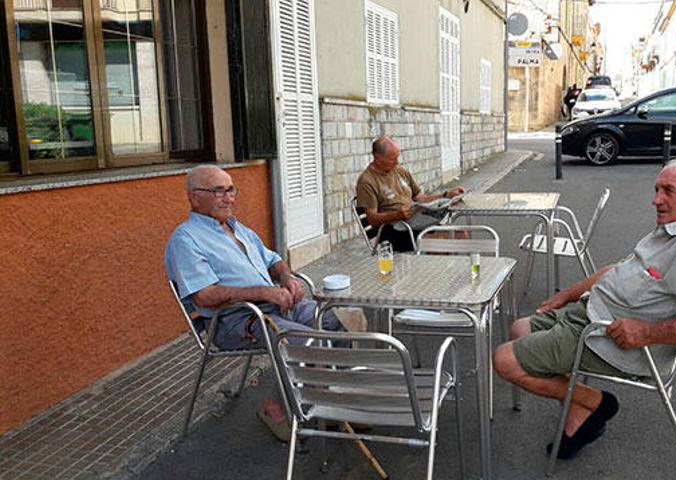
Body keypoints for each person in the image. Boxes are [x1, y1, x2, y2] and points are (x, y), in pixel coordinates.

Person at [493, 156, 676, 460]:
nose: (656, 200)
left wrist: (646, 332)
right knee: (519, 328)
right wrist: (567, 295)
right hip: (590, 314)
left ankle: (596, 402)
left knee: (504, 360)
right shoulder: (673, 227)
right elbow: (619, 268)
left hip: (607, 337)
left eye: (667, 191)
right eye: (656, 189)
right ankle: (578, 413)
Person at [165, 165, 344, 441]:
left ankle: (334, 400)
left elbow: (273, 259)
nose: (229, 198)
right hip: (234, 320)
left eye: (231, 189)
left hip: (274, 306)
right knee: (304, 341)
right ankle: (282, 408)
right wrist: (263, 292)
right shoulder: (185, 239)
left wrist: (286, 278)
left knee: (339, 319)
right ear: (194, 197)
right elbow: (205, 296)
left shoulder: (238, 228)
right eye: (218, 191)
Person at [356, 136, 465, 251]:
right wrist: (396, 215)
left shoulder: (400, 171)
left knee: (460, 234)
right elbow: (372, 220)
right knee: (440, 240)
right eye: (392, 159)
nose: (397, 162)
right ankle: (435, 268)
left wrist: (447, 195)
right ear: (377, 158)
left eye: (397, 157)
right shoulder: (367, 181)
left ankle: (468, 269)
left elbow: (422, 199)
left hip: (414, 222)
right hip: (393, 230)